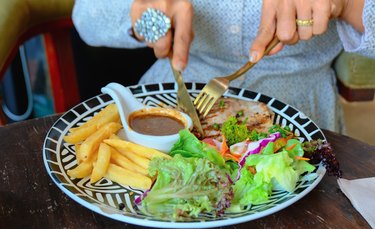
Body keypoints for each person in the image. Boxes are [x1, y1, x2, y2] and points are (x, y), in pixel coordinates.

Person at [72, 0, 375, 133]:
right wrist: (144, 14)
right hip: (169, 101)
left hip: (301, 115)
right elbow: (86, 17)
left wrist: (349, 4)